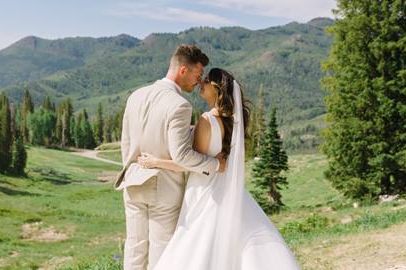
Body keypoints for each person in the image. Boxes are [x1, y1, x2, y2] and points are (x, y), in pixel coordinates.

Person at [138, 68, 301, 270]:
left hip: (204, 191)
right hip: (226, 190)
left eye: (205, 81)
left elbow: (189, 163)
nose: (201, 83)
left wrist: (155, 162)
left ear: (216, 89)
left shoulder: (207, 120)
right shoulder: (231, 121)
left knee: (196, 247)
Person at [114, 45, 227, 270]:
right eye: (197, 75)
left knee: (134, 248)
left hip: (132, 181)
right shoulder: (179, 105)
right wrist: (215, 164)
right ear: (183, 70)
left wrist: (130, 168)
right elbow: (182, 155)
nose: (198, 81)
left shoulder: (136, 96)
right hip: (163, 188)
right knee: (162, 252)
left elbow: (126, 142)